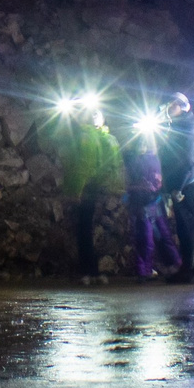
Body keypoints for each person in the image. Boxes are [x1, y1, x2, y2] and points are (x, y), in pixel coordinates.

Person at [61, 103, 122, 282]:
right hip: (93, 188)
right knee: (88, 229)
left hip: (90, 187)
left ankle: (88, 271)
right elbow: (107, 165)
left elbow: (85, 166)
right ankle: (91, 271)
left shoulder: (90, 136)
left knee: (85, 229)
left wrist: (77, 190)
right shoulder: (99, 137)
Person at [122, 113, 177, 280]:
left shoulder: (154, 156)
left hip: (155, 200)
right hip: (141, 202)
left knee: (163, 235)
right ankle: (143, 270)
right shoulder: (132, 157)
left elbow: (159, 176)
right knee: (145, 237)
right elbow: (129, 179)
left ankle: (176, 265)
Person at [159, 94, 194, 284]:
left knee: (187, 229)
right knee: (187, 229)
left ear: (183, 107)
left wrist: (177, 188)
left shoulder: (186, 129)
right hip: (183, 185)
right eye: (169, 105)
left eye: (174, 105)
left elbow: (187, 161)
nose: (170, 108)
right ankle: (192, 270)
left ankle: (188, 272)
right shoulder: (178, 127)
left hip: (186, 187)